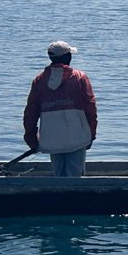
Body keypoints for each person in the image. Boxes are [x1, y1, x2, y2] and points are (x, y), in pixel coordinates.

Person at [23, 41, 98, 177]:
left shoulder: (39, 80)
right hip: (77, 136)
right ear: (68, 57)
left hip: (51, 136)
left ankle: (59, 193)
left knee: (58, 173)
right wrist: (91, 133)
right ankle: (73, 195)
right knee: (76, 175)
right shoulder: (80, 78)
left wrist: (31, 137)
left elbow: (31, 112)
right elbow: (90, 107)